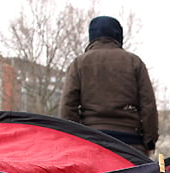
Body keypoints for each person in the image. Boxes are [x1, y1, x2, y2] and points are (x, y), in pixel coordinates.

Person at [60, 16, 159, 155]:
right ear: (118, 36)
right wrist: (149, 141)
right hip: (130, 142)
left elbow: (68, 106)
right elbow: (148, 106)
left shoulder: (79, 63)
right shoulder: (134, 62)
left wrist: (74, 138)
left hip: (92, 140)